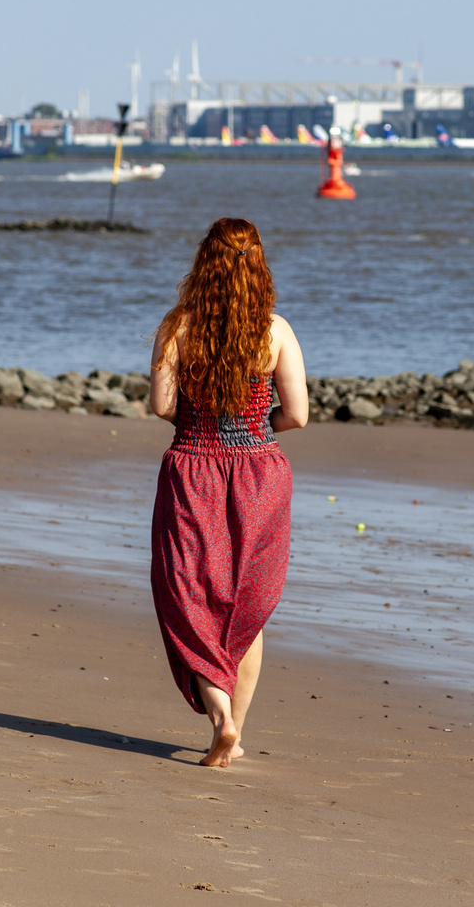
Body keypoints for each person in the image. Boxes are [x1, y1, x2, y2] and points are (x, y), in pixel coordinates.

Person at [149, 217, 309, 767]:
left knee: (188, 595)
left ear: (204, 262)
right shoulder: (276, 330)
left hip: (193, 465)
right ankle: (234, 731)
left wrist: (199, 422)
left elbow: (161, 405)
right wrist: (255, 426)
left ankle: (221, 717)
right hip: (259, 472)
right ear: (258, 264)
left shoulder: (178, 326)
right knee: (244, 607)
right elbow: (298, 415)